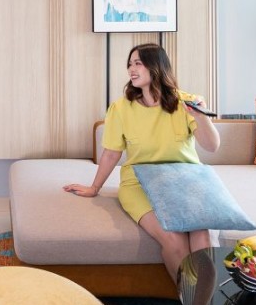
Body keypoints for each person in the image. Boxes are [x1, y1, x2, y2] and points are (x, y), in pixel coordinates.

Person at [63, 42, 220, 283]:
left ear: (156, 66)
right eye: (129, 64)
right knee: (173, 239)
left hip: (185, 182)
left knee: (203, 236)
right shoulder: (120, 108)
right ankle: (191, 298)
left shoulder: (186, 103)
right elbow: (111, 153)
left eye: (138, 63)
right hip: (139, 184)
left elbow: (212, 146)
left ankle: (206, 298)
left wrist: (200, 116)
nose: (131, 69)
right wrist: (94, 187)